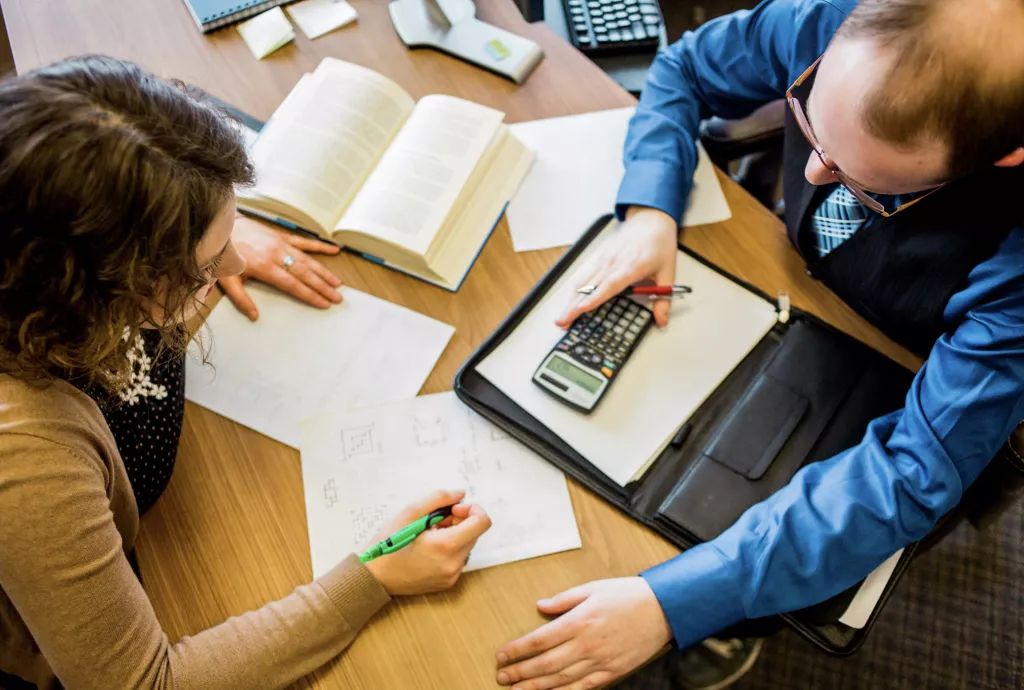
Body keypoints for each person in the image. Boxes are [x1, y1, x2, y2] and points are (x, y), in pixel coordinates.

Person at [494, 0, 1024, 688]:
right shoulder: (829, 24)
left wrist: (680, 604)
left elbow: (911, 475)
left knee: (744, 541)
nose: (809, 173)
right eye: (808, 123)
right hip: (790, 292)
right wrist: (652, 207)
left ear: (1006, 158)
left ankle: (739, 629)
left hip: (914, 370)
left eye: (863, 187)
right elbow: (685, 68)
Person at [0, 55, 491, 689]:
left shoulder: (29, 207)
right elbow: (144, 684)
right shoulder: (27, 452)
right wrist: (372, 578)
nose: (231, 263)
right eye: (208, 260)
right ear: (102, 280)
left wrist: (204, 218)